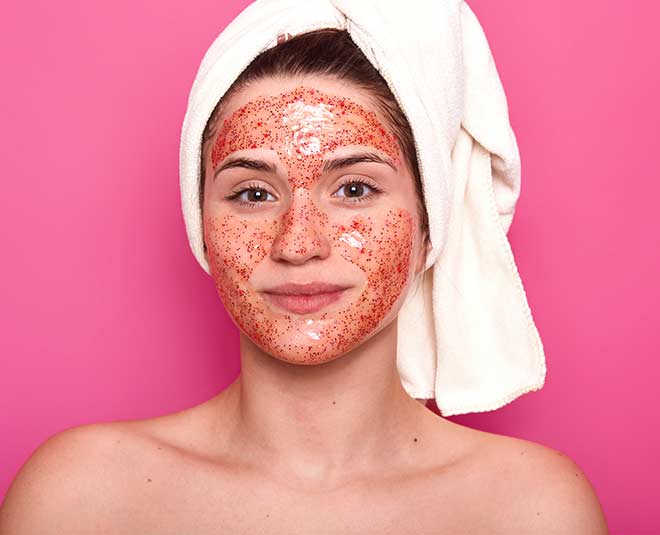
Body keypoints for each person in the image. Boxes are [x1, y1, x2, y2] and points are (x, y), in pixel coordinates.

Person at [0, 24, 609, 535]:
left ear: (431, 225)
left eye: (355, 189)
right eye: (253, 193)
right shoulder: (80, 497)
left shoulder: (531, 509)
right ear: (200, 225)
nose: (296, 245)